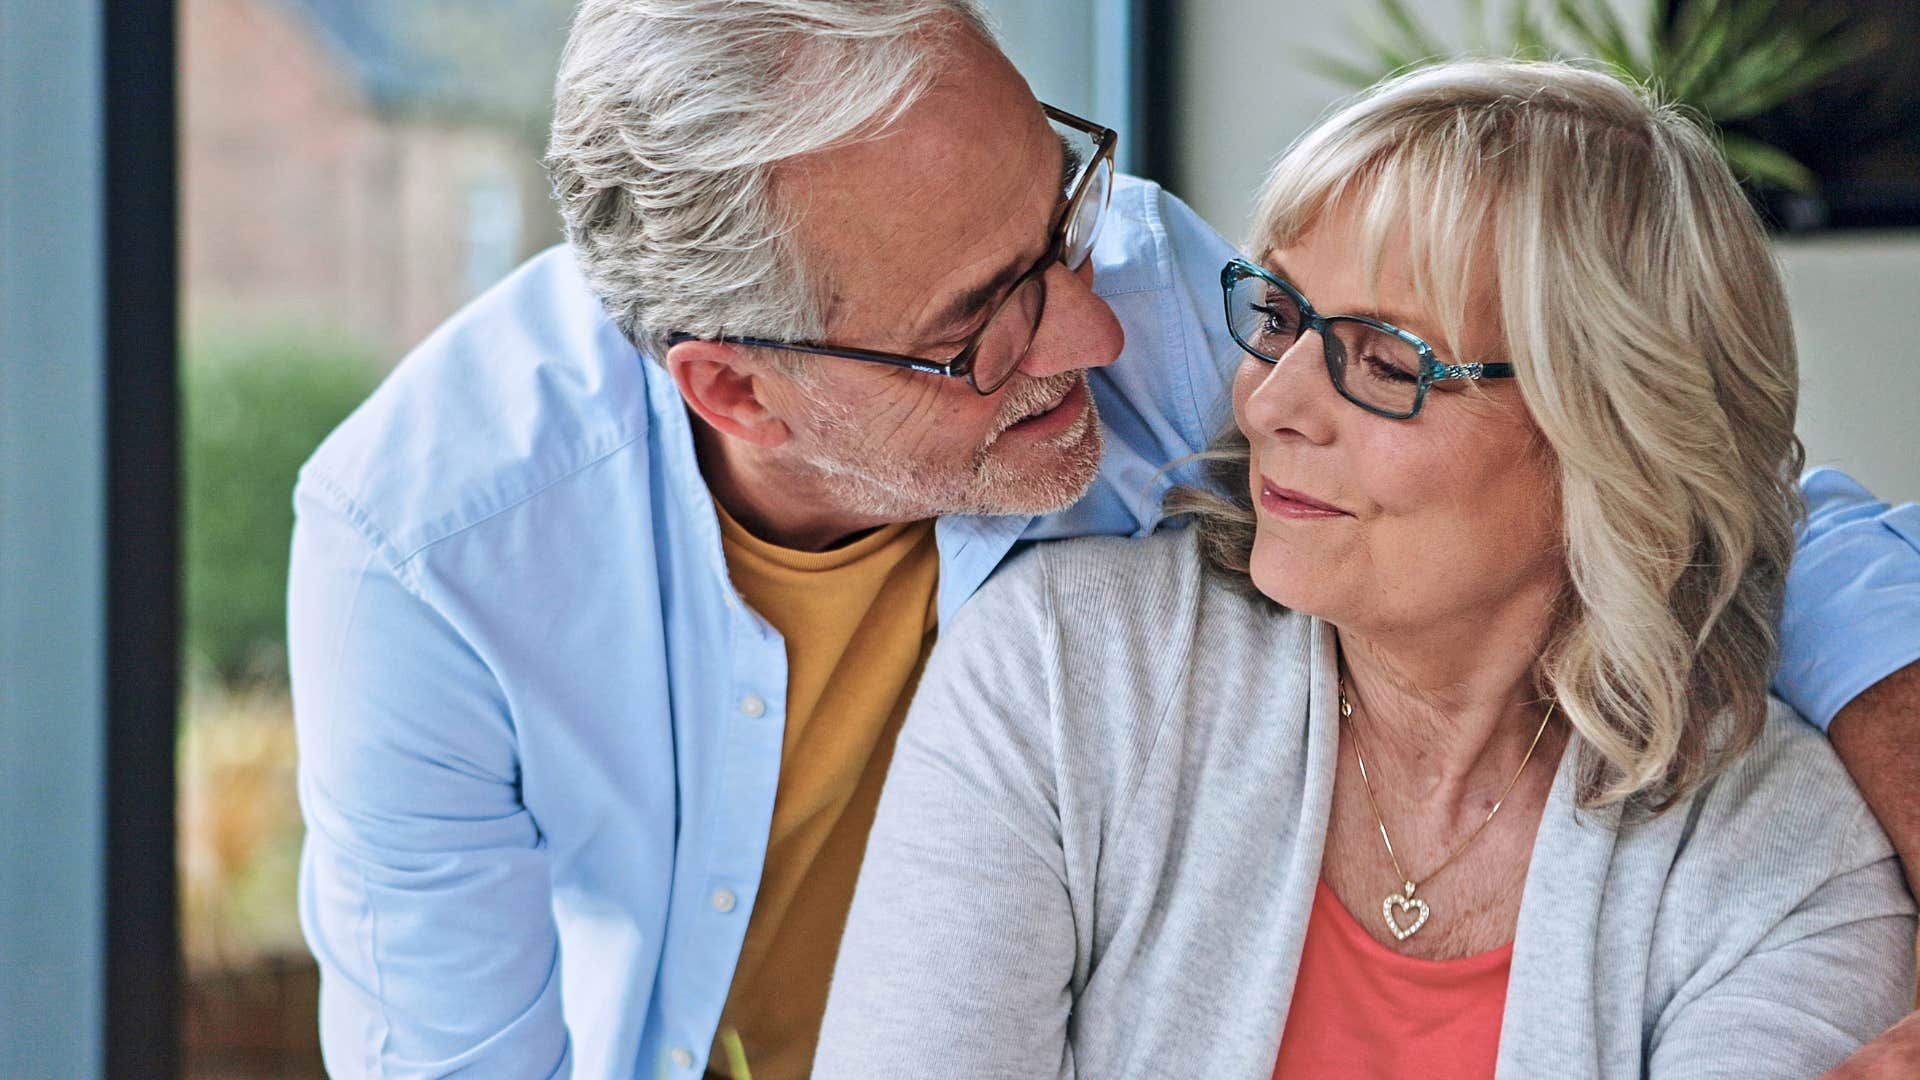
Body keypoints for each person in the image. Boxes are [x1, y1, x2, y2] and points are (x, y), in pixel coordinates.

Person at [285, 2, 1920, 1076]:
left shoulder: (1149, 301)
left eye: (1060, 218)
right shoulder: (428, 555)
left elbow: (1671, 473)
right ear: (739, 390)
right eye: (985, 319)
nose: (1098, 331)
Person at [813, 60, 1918, 1079]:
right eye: (1280, 317)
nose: (1274, 404)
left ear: (1617, 430)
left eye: (1389, 361)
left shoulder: (1788, 859)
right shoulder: (1063, 675)